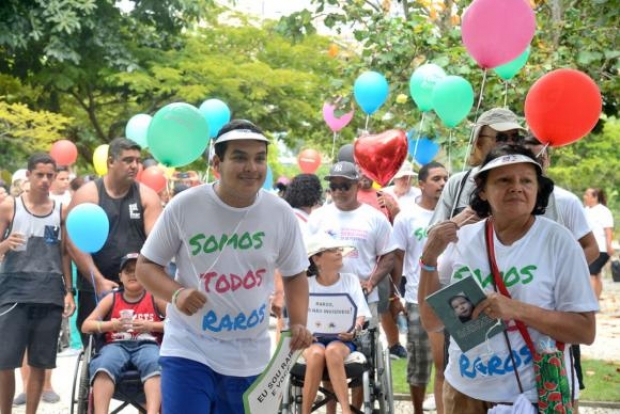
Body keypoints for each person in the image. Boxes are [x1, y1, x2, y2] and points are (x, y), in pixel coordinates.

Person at [135, 119, 312, 413]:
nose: (251, 168)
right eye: (240, 157)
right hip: (189, 348)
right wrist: (177, 294)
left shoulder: (279, 213)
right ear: (218, 163)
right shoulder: (185, 206)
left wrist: (299, 323)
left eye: (259, 158)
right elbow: (146, 267)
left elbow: (295, 274)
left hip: (249, 355)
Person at [418, 145, 598, 413]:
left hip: (533, 396)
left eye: (526, 180)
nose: (516, 187)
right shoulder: (464, 240)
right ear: (482, 189)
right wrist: (429, 259)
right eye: (504, 180)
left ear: (538, 189)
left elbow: (585, 330)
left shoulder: (558, 241)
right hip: (465, 393)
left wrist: (516, 309)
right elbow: (433, 321)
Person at [68, 137, 162, 346]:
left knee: (141, 346)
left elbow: (155, 244)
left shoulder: (147, 196)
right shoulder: (88, 194)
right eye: (128, 160)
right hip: (94, 285)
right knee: (97, 347)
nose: (135, 166)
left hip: (137, 287)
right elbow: (74, 243)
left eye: (138, 161)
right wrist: (98, 279)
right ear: (111, 162)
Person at [0, 153, 75, 414]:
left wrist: (69, 291)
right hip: (13, 291)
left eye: (49, 176)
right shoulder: (10, 206)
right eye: (40, 174)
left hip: (49, 291)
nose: (45, 180)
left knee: (41, 361)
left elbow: (64, 253)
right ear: (29, 175)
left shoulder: (60, 210)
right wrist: (4, 245)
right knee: (5, 360)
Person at [390, 160, 448, 414]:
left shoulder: (453, 213)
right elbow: (398, 258)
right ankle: (416, 410)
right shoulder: (406, 217)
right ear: (421, 184)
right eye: (436, 179)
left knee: (447, 363)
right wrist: (397, 295)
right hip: (417, 298)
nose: (443, 184)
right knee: (419, 361)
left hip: (451, 297)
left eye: (445, 179)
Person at [82, 252, 165, 414]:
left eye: (137, 270)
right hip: (116, 345)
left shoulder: (154, 297)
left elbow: (175, 324)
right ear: (120, 276)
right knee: (104, 364)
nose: (133, 275)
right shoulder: (112, 298)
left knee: (155, 363)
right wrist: (110, 325)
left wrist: (151, 325)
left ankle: (153, 411)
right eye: (128, 271)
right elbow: (86, 325)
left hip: (147, 344)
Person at [301, 234, 371, 414]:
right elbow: (296, 317)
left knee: (332, 350)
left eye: (340, 250)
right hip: (312, 340)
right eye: (333, 250)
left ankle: (346, 411)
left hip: (342, 339)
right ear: (317, 259)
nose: (339, 253)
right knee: (317, 353)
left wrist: (354, 331)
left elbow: (361, 314)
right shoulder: (305, 284)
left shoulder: (350, 280)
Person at [583, 187, 614, 301]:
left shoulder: (603, 211)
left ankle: (590, 302)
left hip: (601, 248)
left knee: (590, 274)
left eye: (587, 195)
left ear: (595, 197)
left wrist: (609, 245)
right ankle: (595, 301)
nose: (584, 197)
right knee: (596, 275)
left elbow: (608, 229)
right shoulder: (585, 210)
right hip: (589, 248)